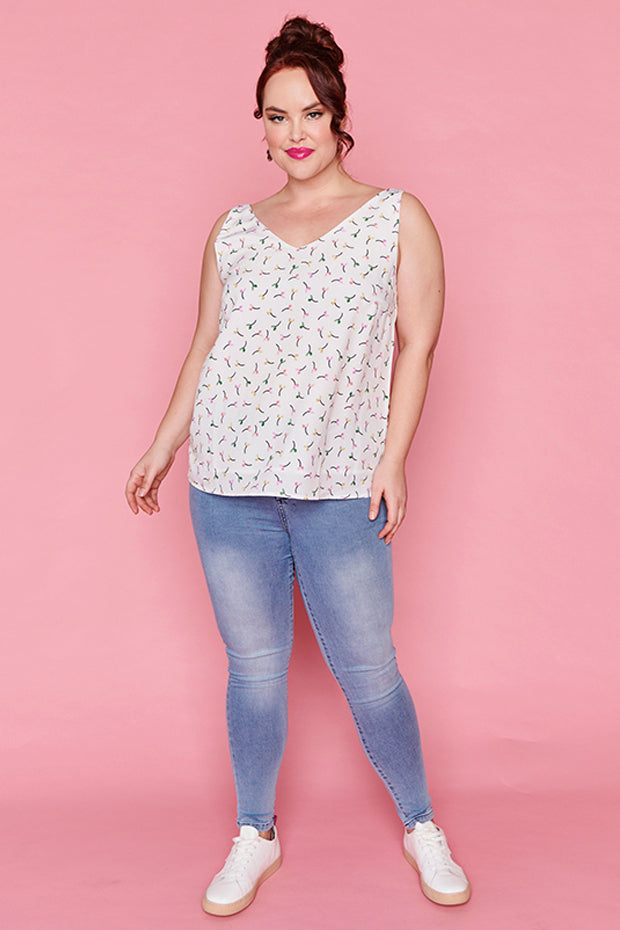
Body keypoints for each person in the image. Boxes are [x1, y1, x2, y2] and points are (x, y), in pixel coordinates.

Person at [125, 15, 471, 916]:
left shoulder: (397, 218)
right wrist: (164, 443)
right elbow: (206, 344)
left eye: (311, 113)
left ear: (339, 116)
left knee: (369, 668)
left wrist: (394, 459)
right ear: (262, 128)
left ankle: (421, 823)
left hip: (339, 483)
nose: (295, 133)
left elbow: (419, 345)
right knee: (253, 669)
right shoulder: (234, 232)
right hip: (228, 483)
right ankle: (256, 833)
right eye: (276, 117)